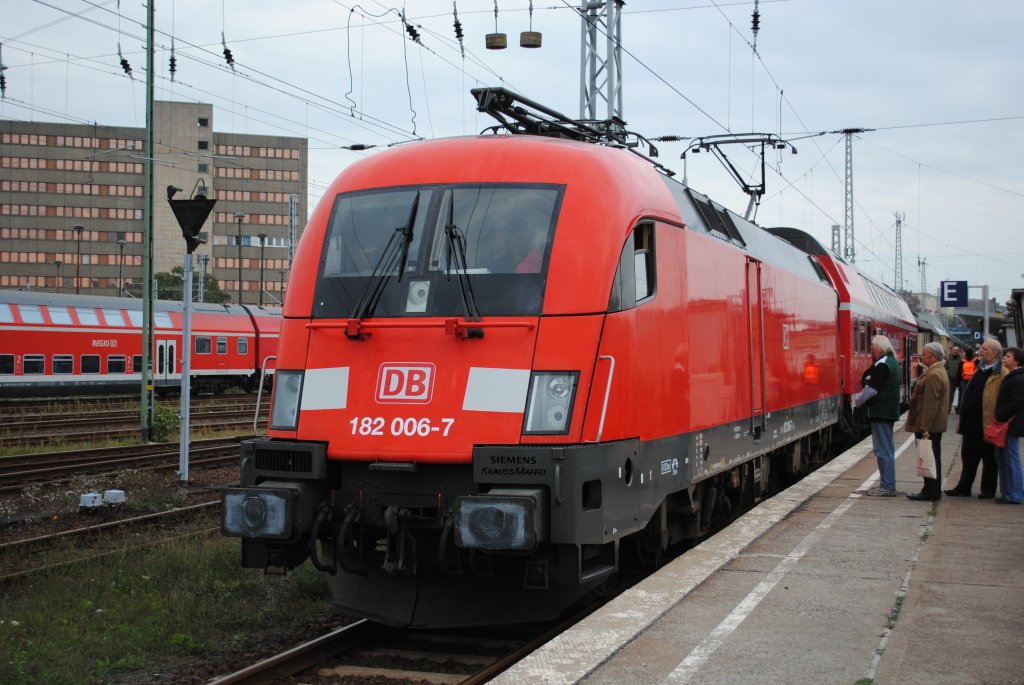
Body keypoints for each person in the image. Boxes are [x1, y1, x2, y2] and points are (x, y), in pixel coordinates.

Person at [945, 337, 1007, 498]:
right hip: (971, 423)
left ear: (995, 353)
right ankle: (963, 487)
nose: (981, 351)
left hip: (987, 423)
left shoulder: (1001, 373)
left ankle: (988, 490)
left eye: (985, 349)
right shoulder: (979, 368)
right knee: (968, 457)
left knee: (989, 459)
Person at [853, 335, 902, 496]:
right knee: (887, 449)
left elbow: (871, 389)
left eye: (873, 347)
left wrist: (858, 401)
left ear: (879, 348)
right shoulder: (892, 362)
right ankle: (887, 484)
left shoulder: (883, 364)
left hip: (881, 412)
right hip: (887, 411)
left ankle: (887, 486)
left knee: (883, 450)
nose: (872, 350)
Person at [904, 342, 950, 501]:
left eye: (924, 354)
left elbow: (931, 404)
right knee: (930, 457)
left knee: (930, 458)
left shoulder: (934, 374)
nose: (922, 357)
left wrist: (925, 427)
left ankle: (931, 491)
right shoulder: (935, 371)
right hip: (931, 425)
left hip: (930, 426)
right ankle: (930, 489)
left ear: (933, 356)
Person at [993, 347, 1024, 504]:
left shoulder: (1018, 379)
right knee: (1002, 457)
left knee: (1011, 458)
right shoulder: (1012, 376)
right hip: (1006, 423)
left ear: (1016, 361)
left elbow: (1018, 402)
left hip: (1010, 424)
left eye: (1008, 356)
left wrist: (1001, 415)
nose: (1004, 358)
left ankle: (1015, 494)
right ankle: (1007, 493)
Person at [945, 345, 963, 412]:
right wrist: (948, 372)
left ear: (959, 351)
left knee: (959, 394)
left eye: (957, 350)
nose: (955, 351)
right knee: (950, 394)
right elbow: (945, 367)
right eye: (954, 350)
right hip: (951, 379)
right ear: (952, 351)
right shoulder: (948, 359)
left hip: (959, 379)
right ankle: (948, 409)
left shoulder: (962, 360)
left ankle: (958, 409)